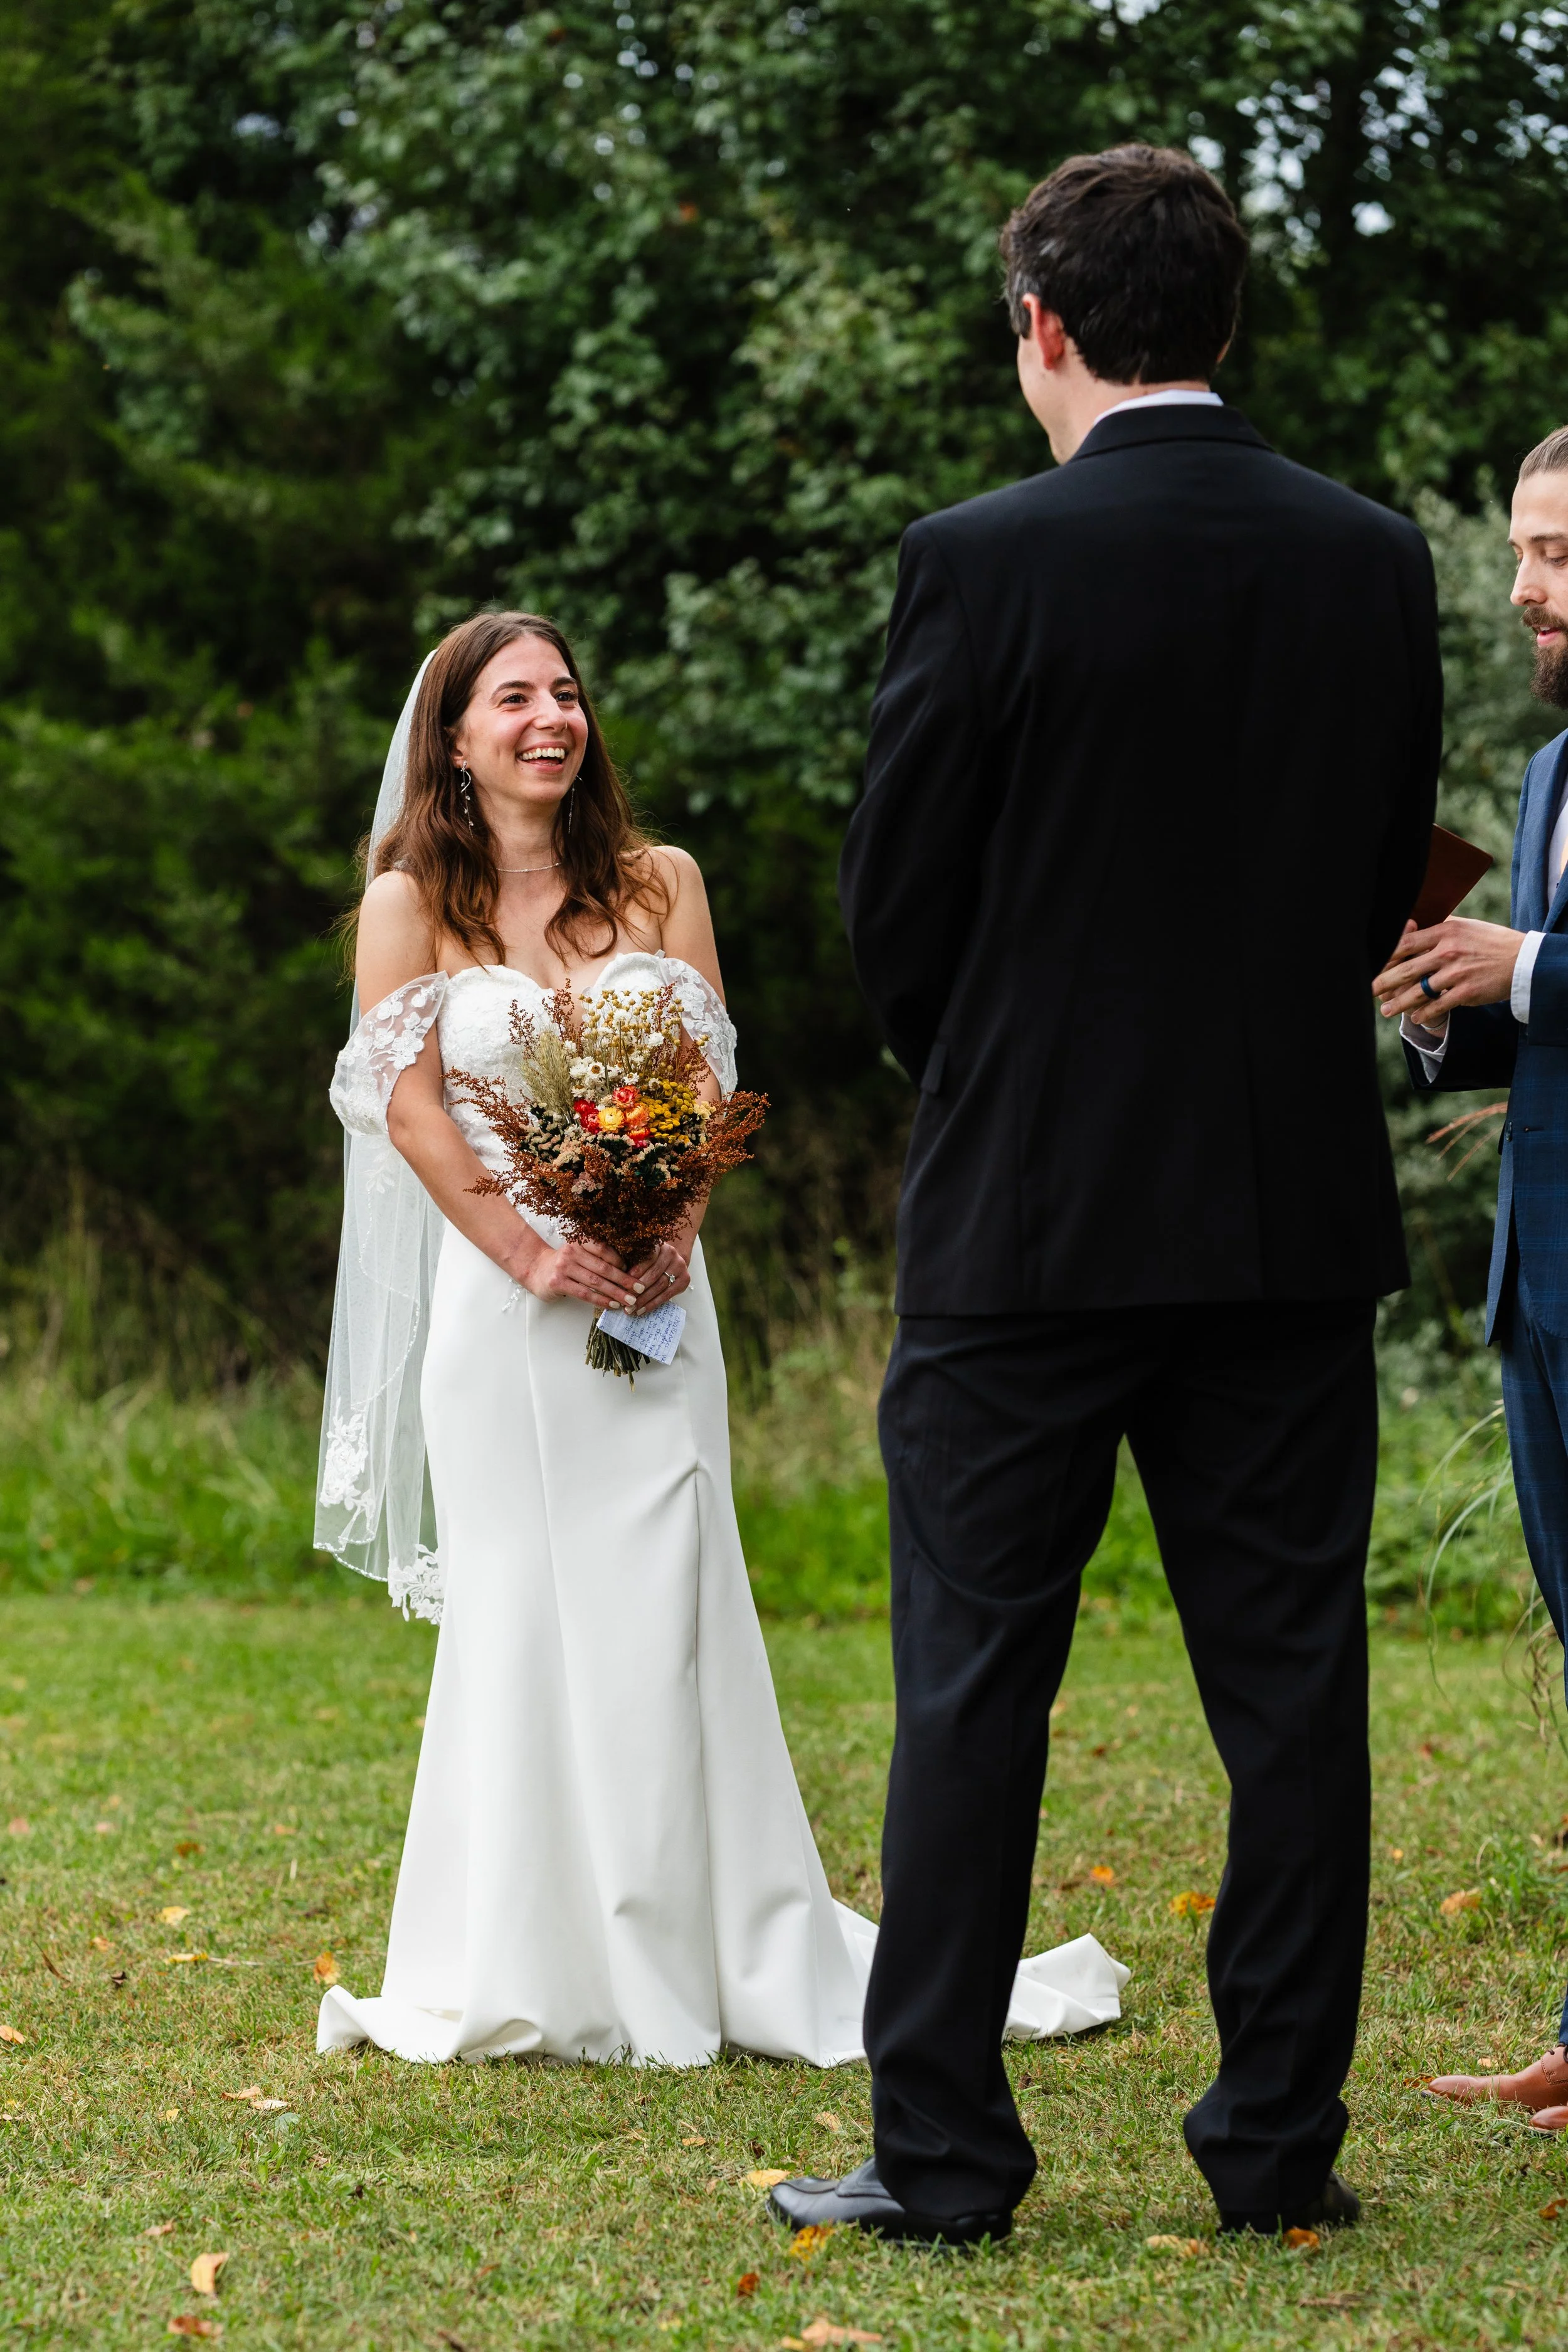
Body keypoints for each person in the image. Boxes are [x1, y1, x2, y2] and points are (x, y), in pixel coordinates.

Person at [769, 144, 1442, 2246]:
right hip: (1281, 1206)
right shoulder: (1369, 558)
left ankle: (948, 2159)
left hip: (1029, 1223)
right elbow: (1371, 874)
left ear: (1045, 329)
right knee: (1293, 1688)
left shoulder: (983, 561)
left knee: (974, 1682)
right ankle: (1276, 2152)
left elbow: (899, 908)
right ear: (1222, 323)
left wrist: (994, 1072)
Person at [311, 608, 1126, 2072]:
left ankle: (716, 1940)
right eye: (514, 700)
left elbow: (700, 1072)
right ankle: (531, 1951)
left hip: (657, 1308)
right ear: (452, 738)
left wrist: (667, 1221)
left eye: (567, 692)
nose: (552, 718)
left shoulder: (657, 883)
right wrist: (526, 1246)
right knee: (525, 1616)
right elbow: (409, 1105)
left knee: (672, 1604)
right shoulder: (404, 906)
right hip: (503, 1324)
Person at [1374, 425, 1568, 2132]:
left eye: (1558, 555)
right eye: (1522, 549)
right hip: (1543, 1287)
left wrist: (1538, 959)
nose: (1521, 586)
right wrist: (1461, 1002)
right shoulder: (1551, 768)